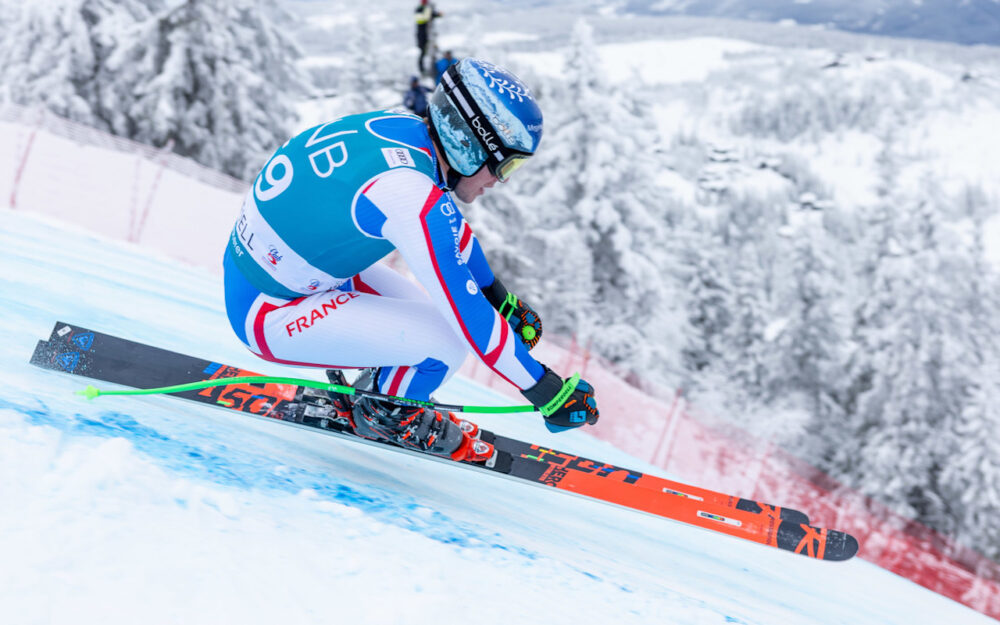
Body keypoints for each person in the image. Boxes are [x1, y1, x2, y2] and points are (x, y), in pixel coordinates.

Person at [223, 58, 600, 464]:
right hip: (268, 313)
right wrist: (547, 392)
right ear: (471, 147)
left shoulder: (407, 135)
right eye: (506, 164)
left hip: (290, 275)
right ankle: (385, 413)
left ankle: (387, 389)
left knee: (438, 322)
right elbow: (466, 311)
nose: (501, 180)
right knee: (449, 340)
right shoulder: (410, 192)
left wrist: (499, 297)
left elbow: (450, 232)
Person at [414, 0, 442, 76]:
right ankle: (422, 69)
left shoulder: (427, 9)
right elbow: (422, 19)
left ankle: (434, 67)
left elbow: (435, 15)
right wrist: (429, 10)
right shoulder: (419, 9)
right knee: (423, 51)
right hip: (422, 35)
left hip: (429, 34)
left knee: (432, 51)